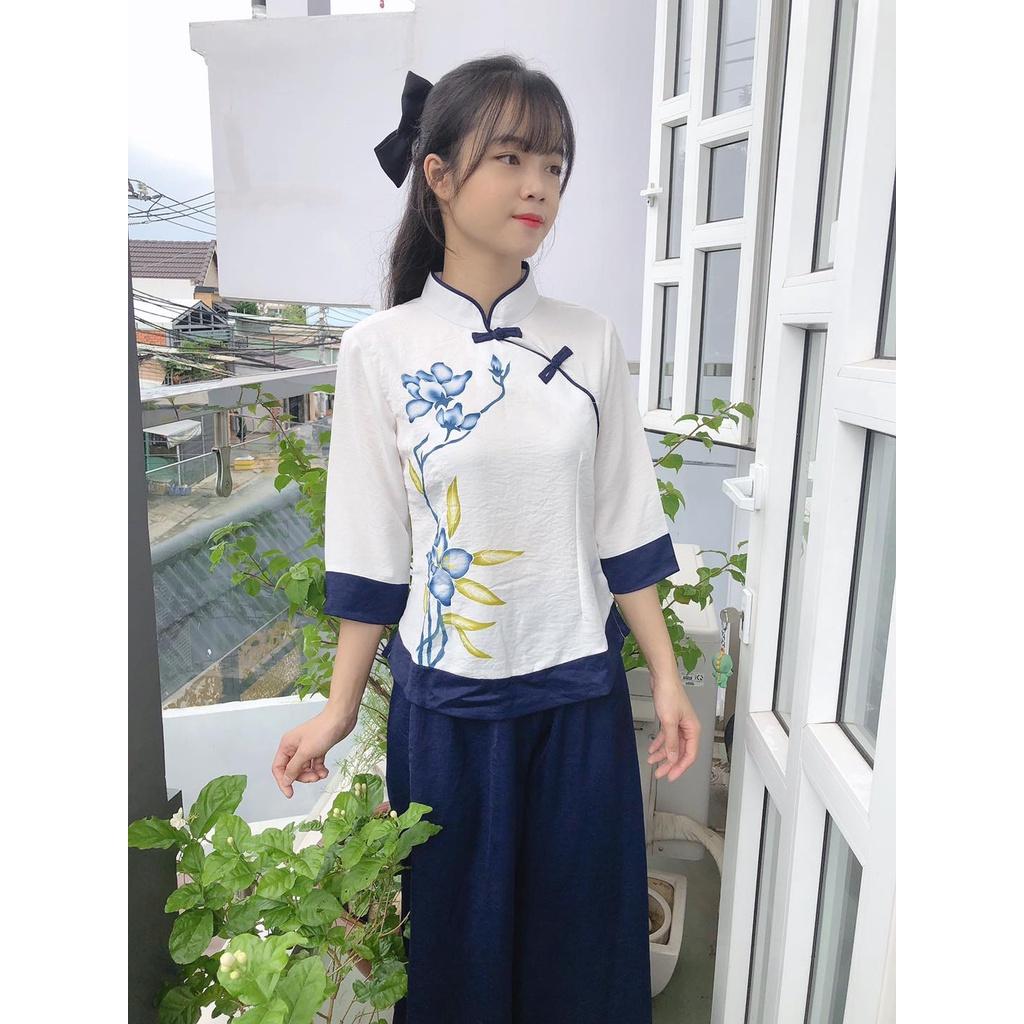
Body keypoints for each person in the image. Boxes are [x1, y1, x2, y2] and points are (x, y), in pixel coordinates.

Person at [271, 55, 701, 1024]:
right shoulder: (378, 350)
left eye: (553, 164)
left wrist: (667, 677)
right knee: (457, 962)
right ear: (438, 175)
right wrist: (340, 707)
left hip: (577, 699)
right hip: (448, 714)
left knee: (580, 957)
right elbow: (371, 548)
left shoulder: (590, 340)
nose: (537, 184)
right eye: (510, 158)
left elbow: (624, 520)